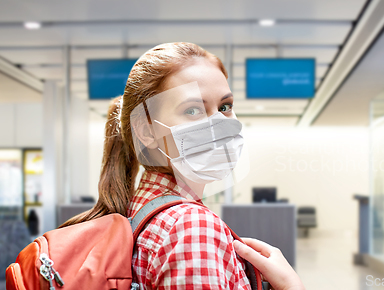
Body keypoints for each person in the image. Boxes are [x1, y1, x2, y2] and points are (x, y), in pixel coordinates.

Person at [61, 42, 305, 290]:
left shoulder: (137, 208)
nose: (219, 126)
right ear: (146, 131)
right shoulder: (191, 227)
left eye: (224, 107)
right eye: (193, 110)